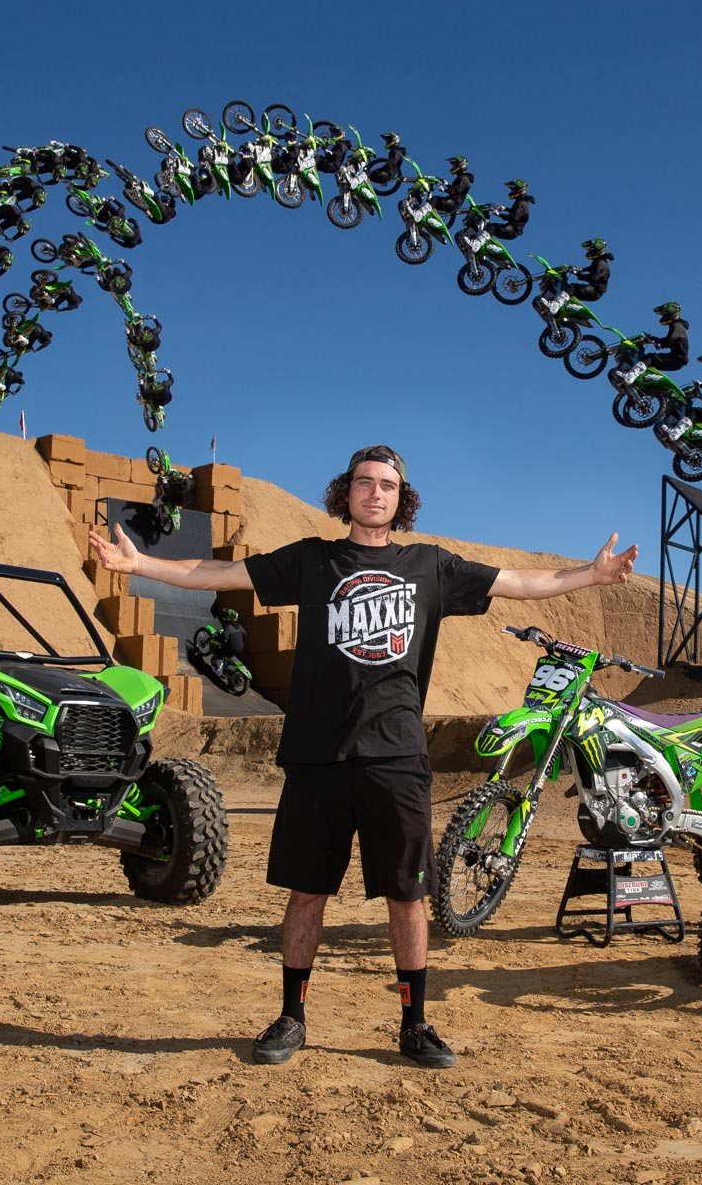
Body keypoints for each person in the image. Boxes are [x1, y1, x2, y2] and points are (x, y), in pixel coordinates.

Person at [88, 445, 638, 1070]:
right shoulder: (313, 560)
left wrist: (589, 576)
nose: (375, 493)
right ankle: (291, 1016)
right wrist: (142, 563)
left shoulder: (430, 565)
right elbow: (222, 575)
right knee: (307, 892)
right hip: (318, 754)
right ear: (344, 493)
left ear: (402, 499)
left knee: (408, 895)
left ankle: (415, 1023)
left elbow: (516, 583)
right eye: (364, 483)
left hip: (397, 756)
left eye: (387, 485)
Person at [645, 302, 689, 372]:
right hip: (675, 359)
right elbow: (668, 341)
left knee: (651, 358)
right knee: (649, 361)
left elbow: (669, 340)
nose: (662, 317)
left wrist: (658, 343)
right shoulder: (676, 325)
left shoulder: (677, 326)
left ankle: (630, 376)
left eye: (664, 315)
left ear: (670, 315)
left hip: (676, 360)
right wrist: (653, 339)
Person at [566, 238, 613, 303]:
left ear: (597, 251)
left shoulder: (602, 264)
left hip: (595, 292)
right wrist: (581, 269)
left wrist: (579, 275)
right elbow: (591, 268)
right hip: (593, 289)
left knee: (573, 288)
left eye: (591, 251)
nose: (589, 252)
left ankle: (555, 305)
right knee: (568, 288)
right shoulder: (598, 261)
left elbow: (592, 278)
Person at [430, 156, 474, 221]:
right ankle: (431, 216)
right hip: (453, 201)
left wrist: (444, 190)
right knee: (435, 201)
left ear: (460, 166)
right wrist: (447, 184)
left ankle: (420, 214)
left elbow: (456, 190)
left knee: (435, 200)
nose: (452, 167)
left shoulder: (464, 179)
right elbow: (455, 188)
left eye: (454, 165)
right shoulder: (461, 177)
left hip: (454, 203)